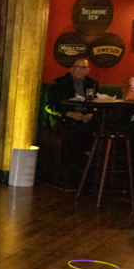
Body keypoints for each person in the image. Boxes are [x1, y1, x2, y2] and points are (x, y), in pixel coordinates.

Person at [51, 56, 98, 187]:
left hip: (86, 119)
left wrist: (91, 114)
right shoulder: (60, 83)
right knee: (75, 132)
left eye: (83, 67)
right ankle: (72, 177)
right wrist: (70, 114)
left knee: (97, 129)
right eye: (77, 67)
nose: (80, 70)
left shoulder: (92, 83)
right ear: (71, 69)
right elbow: (51, 105)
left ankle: (90, 178)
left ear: (88, 70)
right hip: (67, 118)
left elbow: (96, 103)